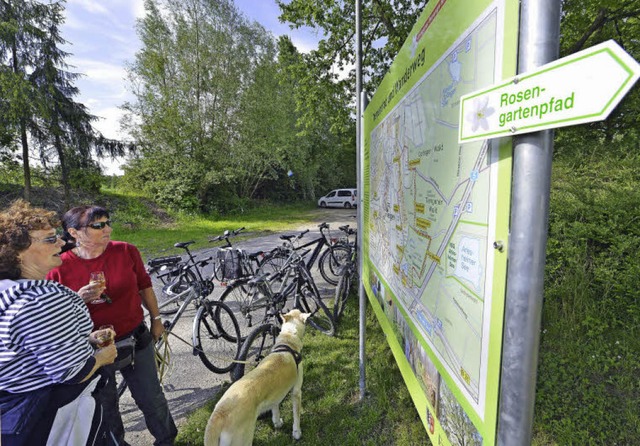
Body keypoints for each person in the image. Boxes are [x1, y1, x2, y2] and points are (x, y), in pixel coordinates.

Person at [47, 205, 177, 446]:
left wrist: (157, 320)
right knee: (107, 406)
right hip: (92, 347)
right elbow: (55, 314)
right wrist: (79, 297)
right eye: (98, 225)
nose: (108, 229)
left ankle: (167, 440)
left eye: (107, 222)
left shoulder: (126, 251)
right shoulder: (58, 266)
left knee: (152, 397)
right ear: (74, 233)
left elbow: (144, 286)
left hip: (136, 337)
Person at [0, 200, 118, 446]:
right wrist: (103, 356)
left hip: (14, 412)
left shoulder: (8, 290)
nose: (62, 243)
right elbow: (71, 372)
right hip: (55, 415)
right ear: (16, 252)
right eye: (50, 239)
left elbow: (30, 342)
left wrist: (85, 339)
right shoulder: (43, 298)